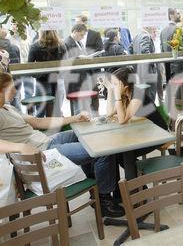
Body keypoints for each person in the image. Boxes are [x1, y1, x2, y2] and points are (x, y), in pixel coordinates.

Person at [0, 72, 124, 217]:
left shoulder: (7, 108)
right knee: (102, 151)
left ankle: (97, 187)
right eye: (11, 88)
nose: (15, 90)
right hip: (46, 152)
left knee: (90, 133)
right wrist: (20, 147)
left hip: (47, 141)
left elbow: (38, 122)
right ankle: (104, 200)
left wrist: (74, 118)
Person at [28, 30, 67, 117]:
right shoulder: (61, 45)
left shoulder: (35, 46)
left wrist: (38, 74)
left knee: (40, 110)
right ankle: (56, 128)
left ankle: (41, 128)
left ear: (40, 32)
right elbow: (66, 64)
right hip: (57, 79)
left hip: (42, 80)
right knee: (56, 108)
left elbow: (29, 66)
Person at [63, 24, 91, 114]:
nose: (83, 37)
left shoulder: (79, 42)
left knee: (84, 103)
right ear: (75, 32)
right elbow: (64, 61)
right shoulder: (66, 43)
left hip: (82, 76)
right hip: (73, 78)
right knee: (77, 106)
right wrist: (78, 58)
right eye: (81, 35)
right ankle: (78, 125)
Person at [129, 26, 160, 103]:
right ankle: (150, 113)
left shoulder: (136, 36)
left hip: (139, 70)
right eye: (154, 31)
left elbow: (130, 49)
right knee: (150, 93)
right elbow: (144, 51)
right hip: (148, 70)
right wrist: (153, 63)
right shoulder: (146, 36)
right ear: (150, 29)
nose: (155, 34)